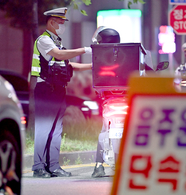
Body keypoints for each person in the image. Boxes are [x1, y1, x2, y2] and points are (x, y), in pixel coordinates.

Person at [30, 7, 92, 178]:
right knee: (44, 129)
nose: (63, 26)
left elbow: (70, 65)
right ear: (52, 22)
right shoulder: (44, 41)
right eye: (61, 23)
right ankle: (38, 167)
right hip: (46, 89)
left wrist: (94, 65)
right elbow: (58, 55)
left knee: (56, 130)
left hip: (58, 90)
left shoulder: (58, 43)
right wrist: (83, 50)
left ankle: (54, 166)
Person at [90, 27, 121, 178]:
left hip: (109, 101)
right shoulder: (128, 56)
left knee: (104, 131)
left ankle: (98, 166)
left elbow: (96, 84)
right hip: (125, 100)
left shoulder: (100, 59)